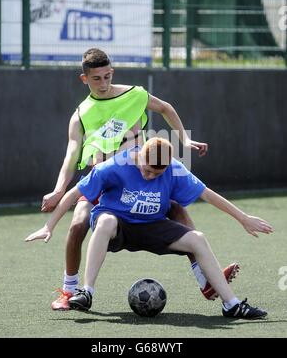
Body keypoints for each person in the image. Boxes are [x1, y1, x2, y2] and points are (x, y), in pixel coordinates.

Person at [39, 48, 232, 311]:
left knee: (177, 209)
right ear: (84, 79)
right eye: (97, 79)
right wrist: (58, 190)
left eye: (107, 76)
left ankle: (205, 280)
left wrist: (184, 140)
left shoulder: (135, 95)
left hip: (139, 179)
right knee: (78, 224)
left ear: (112, 72)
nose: (104, 83)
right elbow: (71, 156)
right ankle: (69, 290)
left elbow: (165, 108)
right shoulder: (81, 114)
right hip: (104, 180)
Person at [26, 138, 273, 319]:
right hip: (118, 225)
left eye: (156, 174)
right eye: (146, 169)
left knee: (197, 238)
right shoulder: (115, 165)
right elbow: (74, 193)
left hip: (153, 226)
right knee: (105, 221)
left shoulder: (175, 169)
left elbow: (208, 195)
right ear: (140, 156)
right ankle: (86, 292)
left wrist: (242, 218)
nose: (148, 176)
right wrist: (49, 226)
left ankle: (232, 305)